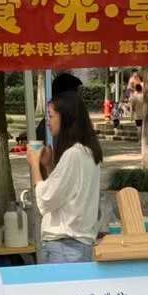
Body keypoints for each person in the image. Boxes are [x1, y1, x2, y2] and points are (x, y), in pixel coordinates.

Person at [27, 91, 103, 263]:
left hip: (65, 247)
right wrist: (48, 166)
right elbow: (65, 192)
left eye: (51, 116)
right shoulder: (88, 152)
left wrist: (34, 164)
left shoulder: (73, 154)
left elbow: (46, 199)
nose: (48, 121)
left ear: (66, 118)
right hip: (78, 245)